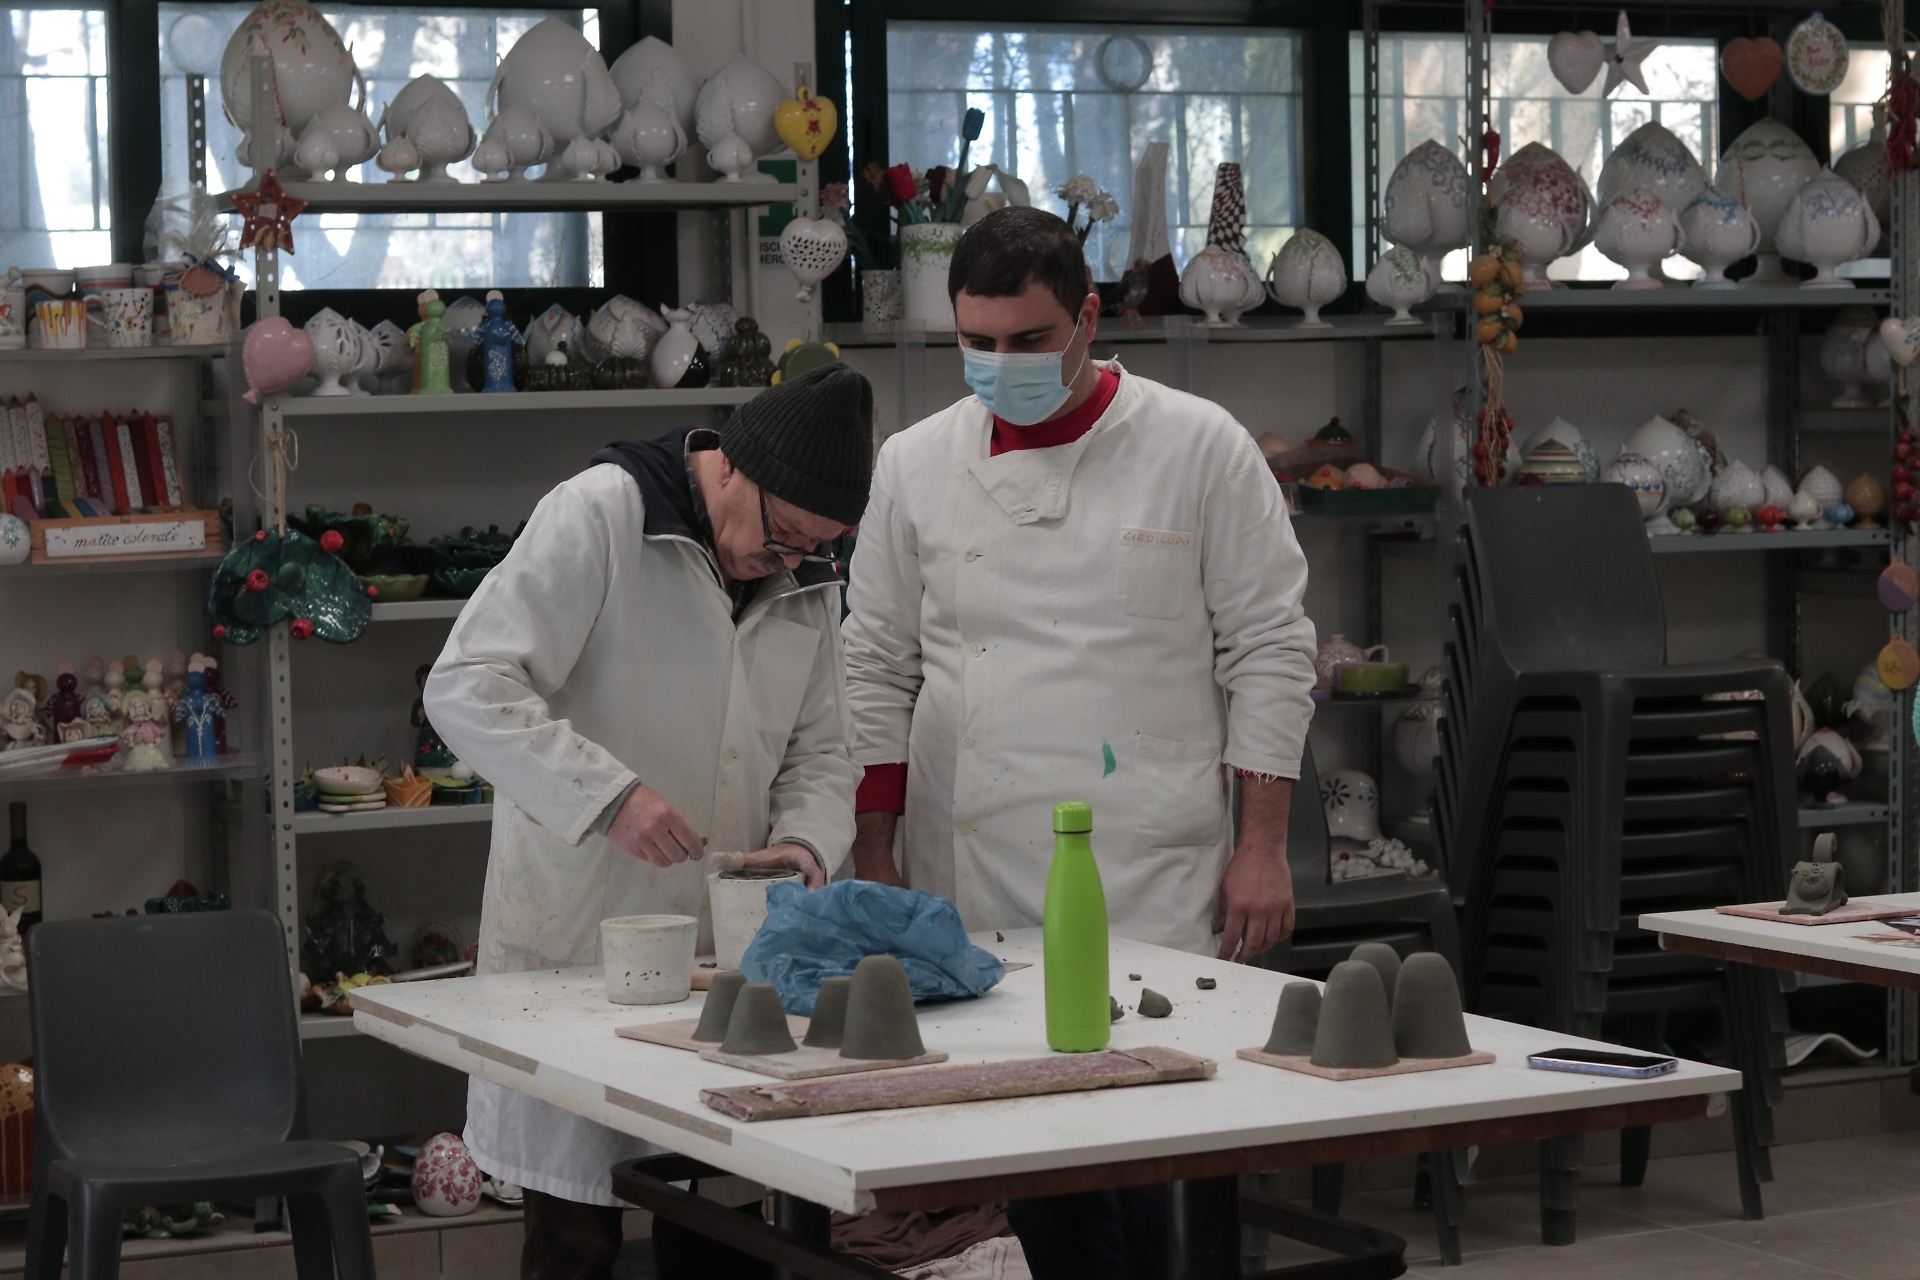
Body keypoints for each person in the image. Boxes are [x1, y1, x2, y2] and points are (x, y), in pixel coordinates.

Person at [840, 206, 1317, 1279]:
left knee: (1151, 1164)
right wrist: (874, 850)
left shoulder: (1199, 448)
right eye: (976, 343)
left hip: (1146, 870)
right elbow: (872, 666)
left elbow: (1271, 649)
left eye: (1028, 340)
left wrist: (1263, 843)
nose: (1000, 365)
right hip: (971, 864)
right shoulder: (915, 464)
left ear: (1089, 319)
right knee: (1023, 1162)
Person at [424, 362, 874, 1280]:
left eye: (816, 547)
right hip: (579, 939)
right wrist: (606, 796)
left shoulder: (808, 569)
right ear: (732, 466)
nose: (792, 561)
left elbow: (823, 753)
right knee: (576, 1239)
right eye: (783, 536)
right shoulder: (605, 513)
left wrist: (803, 843)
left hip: (727, 962)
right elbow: (466, 686)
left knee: (725, 1237)